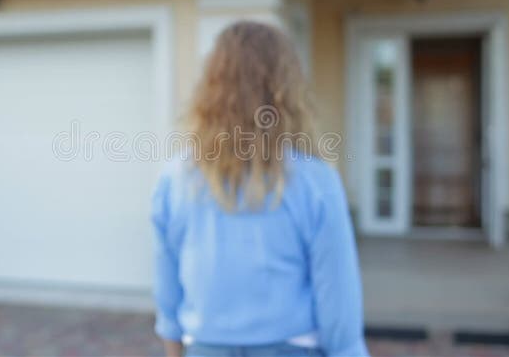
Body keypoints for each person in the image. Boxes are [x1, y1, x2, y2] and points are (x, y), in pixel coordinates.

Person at [151, 21, 368, 357]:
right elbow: (337, 297)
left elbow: (167, 285)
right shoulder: (315, 180)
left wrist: (174, 346)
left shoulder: (176, 177)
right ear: (287, 89)